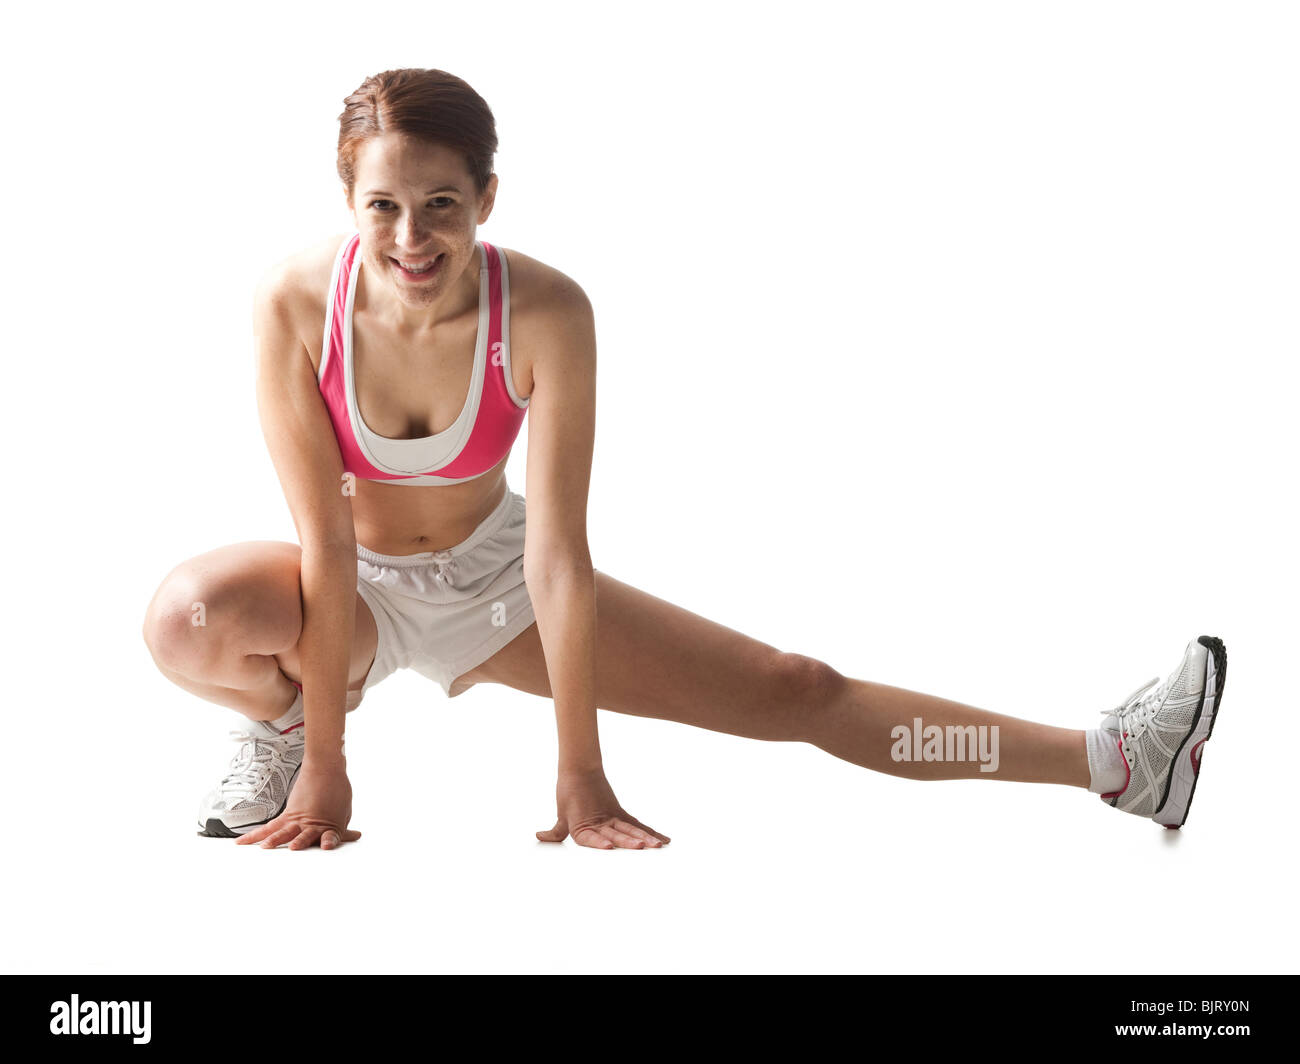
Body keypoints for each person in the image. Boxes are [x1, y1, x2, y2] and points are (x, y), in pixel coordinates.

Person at [141, 68, 1228, 852]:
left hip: (497, 580)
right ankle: (288, 721)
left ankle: (1115, 763)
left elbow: (557, 556)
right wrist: (328, 763)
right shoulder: (295, 304)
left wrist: (579, 769)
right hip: (358, 587)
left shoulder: (548, 311)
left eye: (441, 205)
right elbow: (326, 542)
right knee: (189, 617)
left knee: (799, 688)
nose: (411, 238)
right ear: (348, 202)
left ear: (487, 199)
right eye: (382, 206)